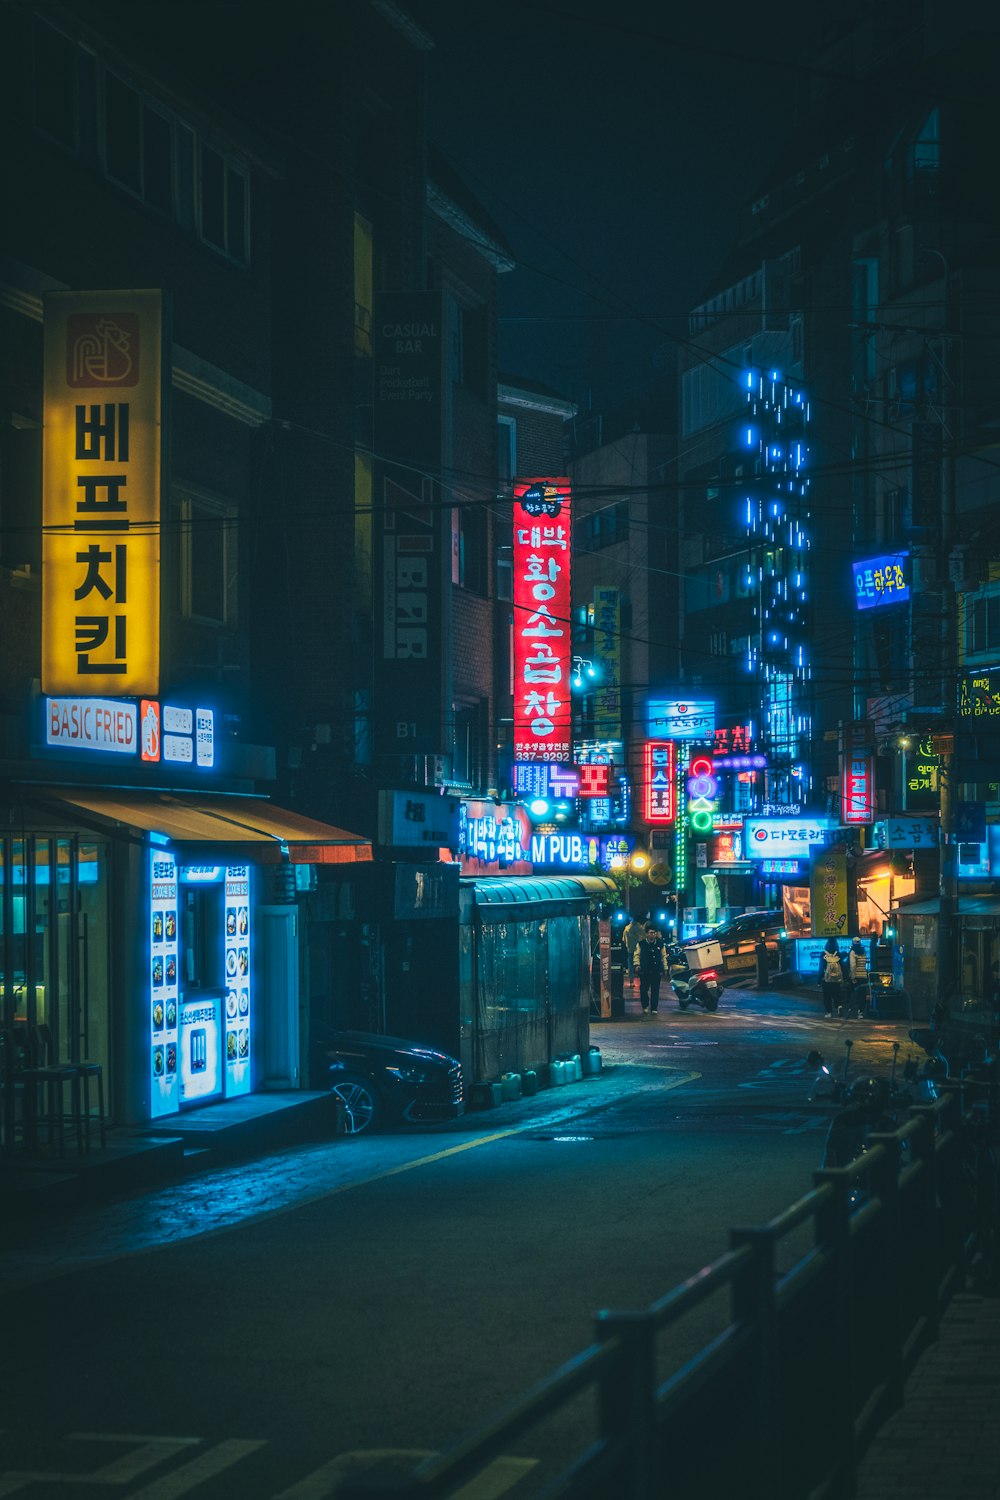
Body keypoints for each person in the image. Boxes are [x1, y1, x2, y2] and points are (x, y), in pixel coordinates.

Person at [636, 923, 665, 1014]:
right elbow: (637, 955)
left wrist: (665, 967)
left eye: (654, 933)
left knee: (655, 990)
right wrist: (636, 965)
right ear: (647, 934)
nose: (652, 934)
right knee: (644, 989)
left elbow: (663, 956)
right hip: (645, 970)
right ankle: (645, 1005)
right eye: (650, 933)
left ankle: (654, 1008)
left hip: (656, 970)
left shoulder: (660, 944)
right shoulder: (641, 944)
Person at [818, 937, 846, 1017]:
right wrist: (844, 977)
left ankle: (829, 1012)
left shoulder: (823, 954)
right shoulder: (838, 954)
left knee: (827, 996)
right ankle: (839, 1006)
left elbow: (821, 967)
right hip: (836, 979)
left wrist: (819, 980)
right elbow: (842, 966)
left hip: (826, 979)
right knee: (837, 994)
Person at [848, 938, 869, 1011]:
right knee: (862, 994)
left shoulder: (852, 952)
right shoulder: (864, 951)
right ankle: (861, 1011)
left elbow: (853, 965)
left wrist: (853, 977)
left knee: (853, 992)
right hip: (863, 975)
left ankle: (851, 1008)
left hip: (856, 975)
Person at [622, 915, 643, 984]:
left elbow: (624, 939)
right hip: (639, 950)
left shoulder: (626, 929)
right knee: (641, 964)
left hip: (630, 949)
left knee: (630, 966)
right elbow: (644, 938)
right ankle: (642, 981)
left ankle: (631, 982)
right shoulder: (640, 928)